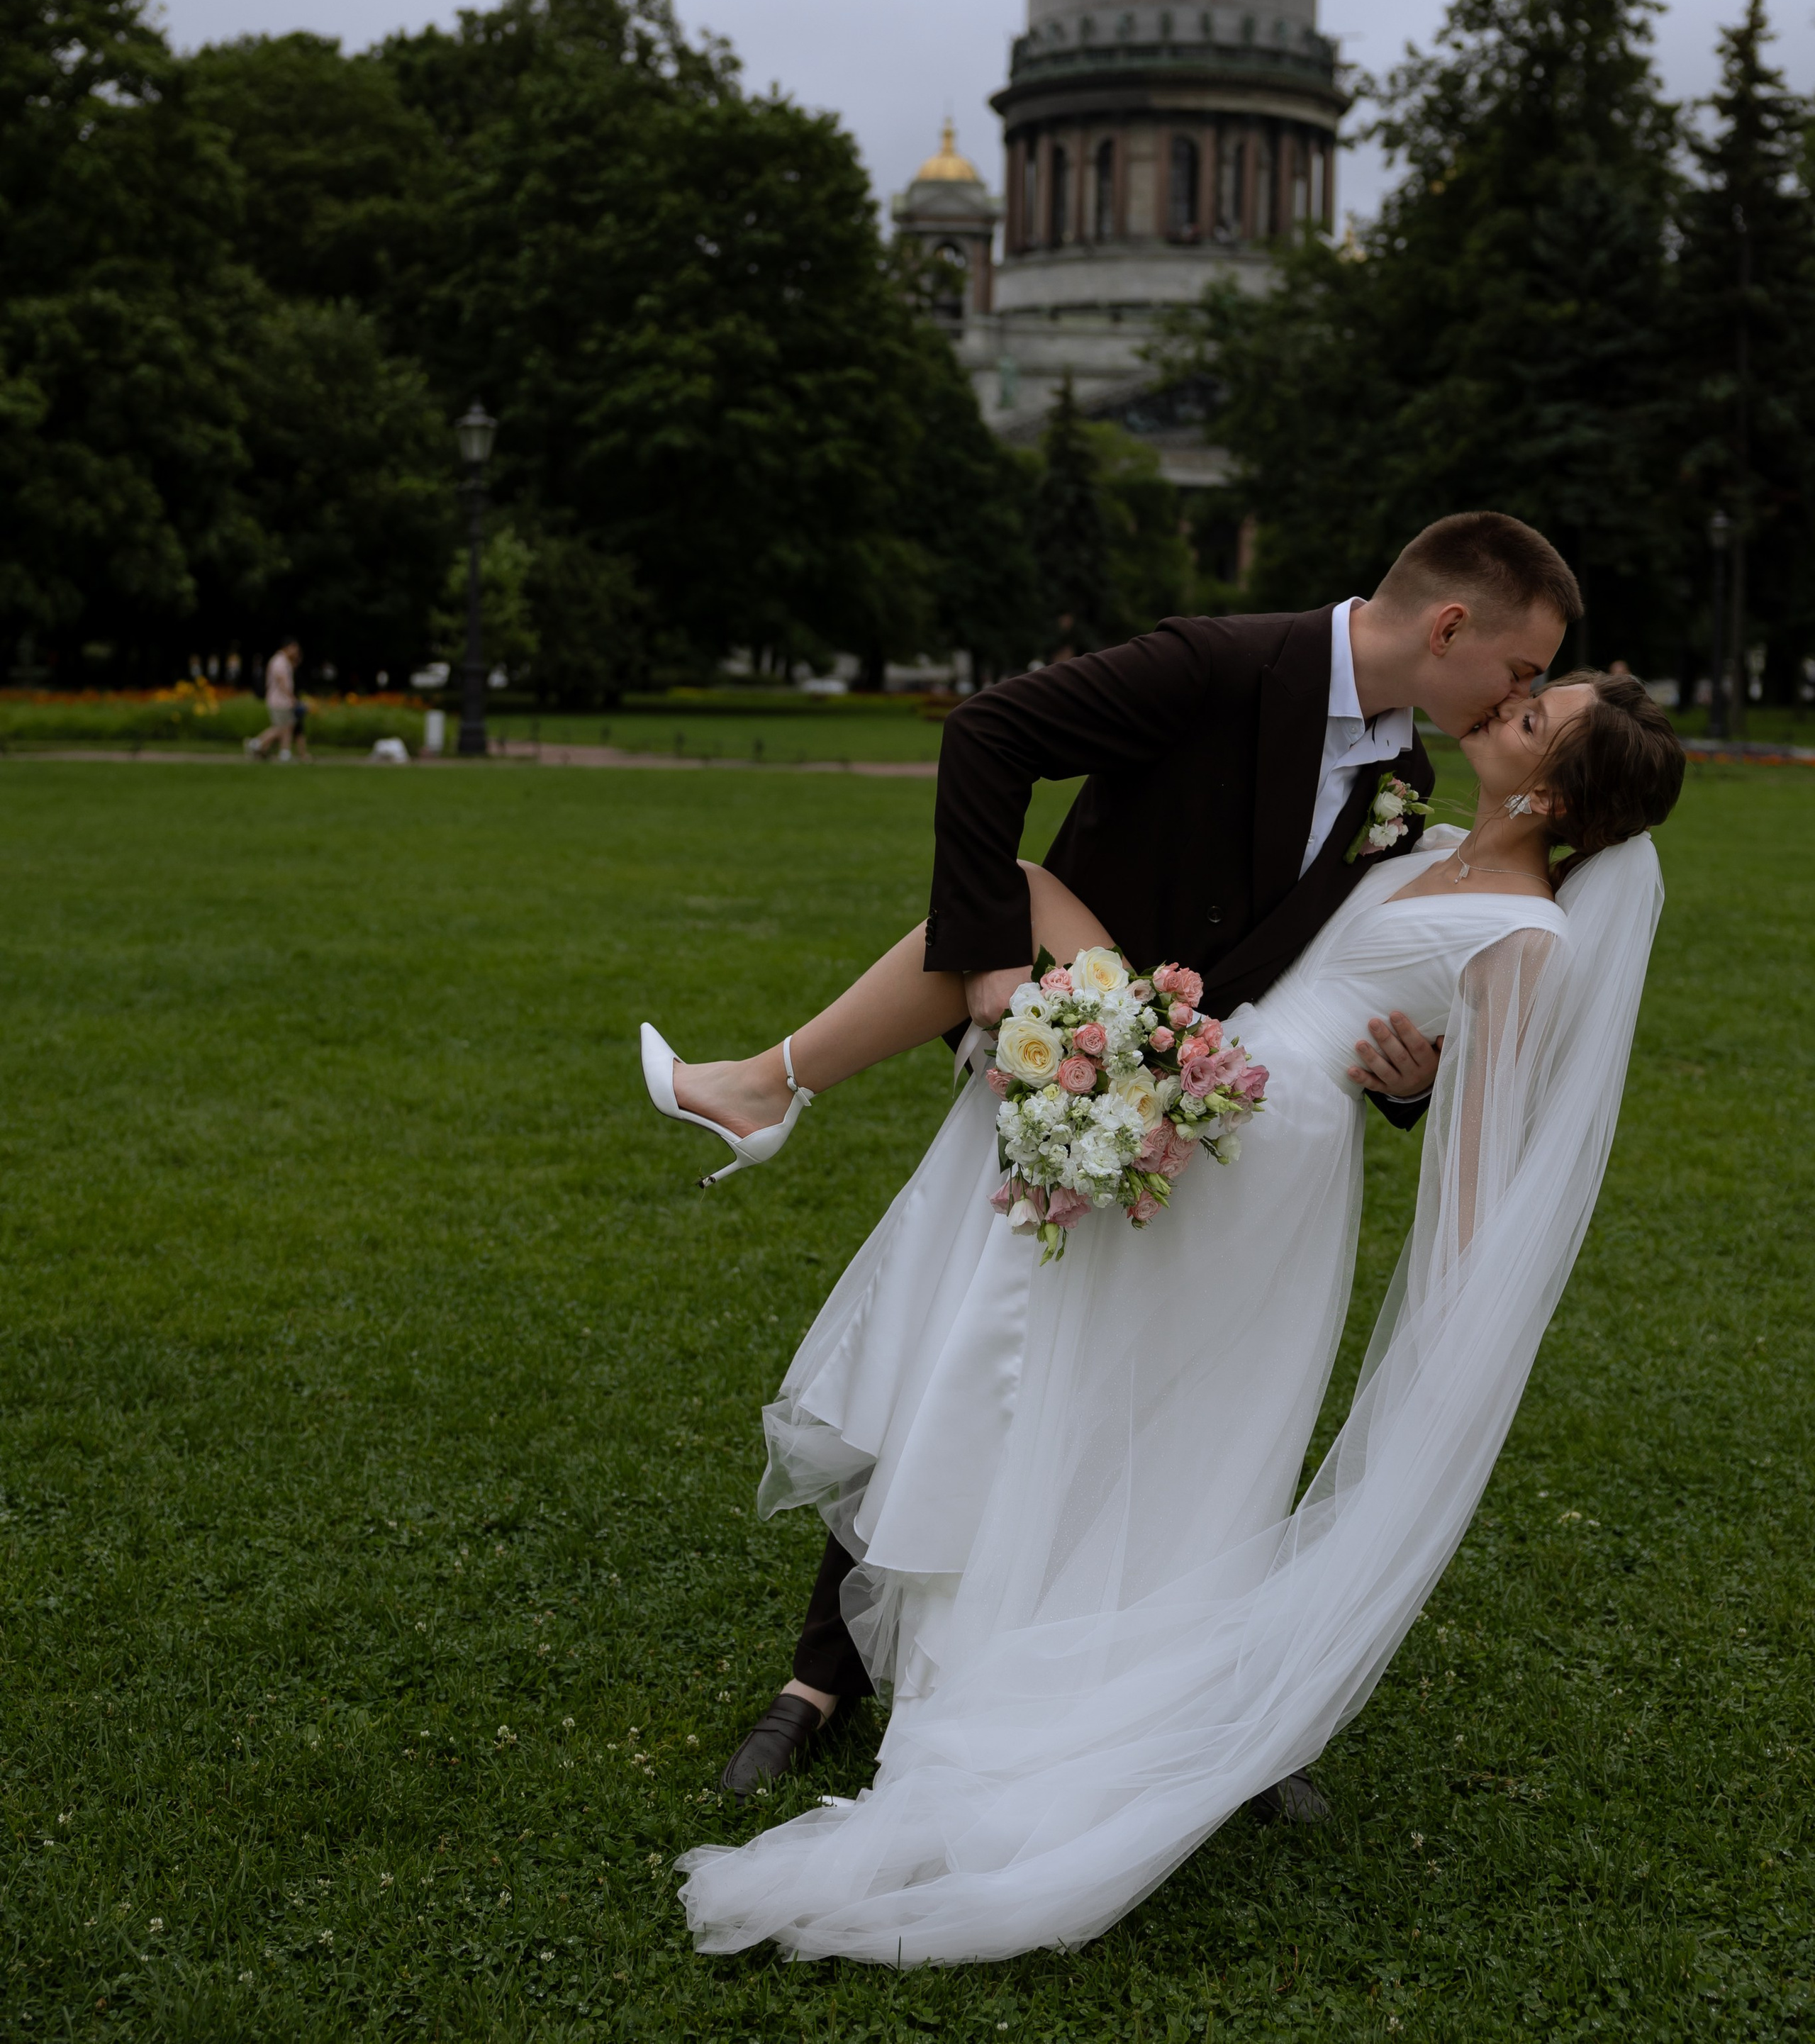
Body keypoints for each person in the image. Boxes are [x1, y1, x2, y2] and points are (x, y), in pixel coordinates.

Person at [654, 658, 1682, 1965]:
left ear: (1547, 792)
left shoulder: (1529, 936)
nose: (1497, 706)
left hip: (1272, 1159)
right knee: (1064, 1365)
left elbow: (1482, 1159)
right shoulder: (1413, 834)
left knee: (1170, 1419)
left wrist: (1458, 1333)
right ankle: (766, 1085)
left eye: (1529, 718)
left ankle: (763, 1088)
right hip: (1212, 1092)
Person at [246, 638, 301, 761]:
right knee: (280, 728)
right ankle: (256, 743)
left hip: (283, 701)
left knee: (288, 726)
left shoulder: (285, 661)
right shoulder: (279, 661)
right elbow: (282, 682)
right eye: (294, 648)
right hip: (279, 700)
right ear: (287, 647)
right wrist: (292, 698)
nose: (296, 651)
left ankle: (284, 752)